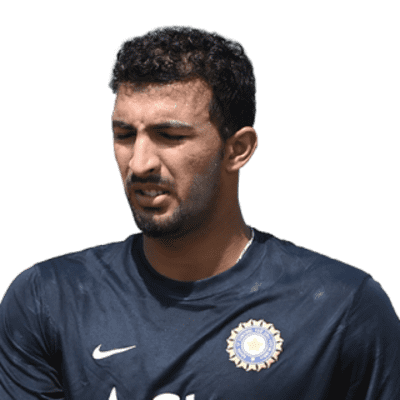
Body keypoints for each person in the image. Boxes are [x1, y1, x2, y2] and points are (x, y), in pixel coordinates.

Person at [0, 25, 399, 400]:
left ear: (237, 149)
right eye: (124, 135)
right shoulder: (49, 299)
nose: (139, 163)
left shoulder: (340, 308)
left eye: (170, 136)